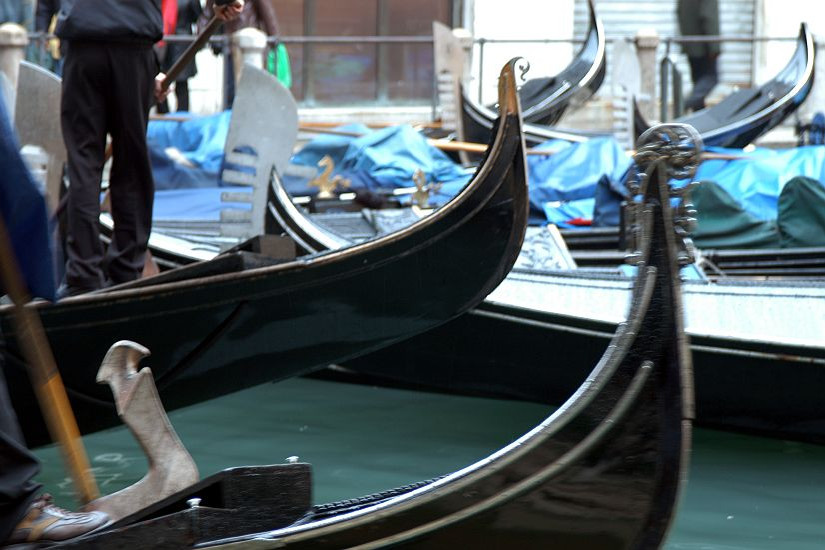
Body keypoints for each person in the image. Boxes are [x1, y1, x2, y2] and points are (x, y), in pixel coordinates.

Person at [56, 0, 243, 298]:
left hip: (84, 44)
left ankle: (83, 275)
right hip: (131, 46)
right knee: (130, 165)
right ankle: (125, 272)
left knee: (83, 164)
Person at [157, 0, 202, 114]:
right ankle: (177, 117)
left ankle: (168, 117)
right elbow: (196, 15)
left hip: (169, 42)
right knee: (174, 85)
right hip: (176, 42)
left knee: (164, 83)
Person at [677, 0, 720, 112]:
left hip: (690, 45)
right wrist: (714, 47)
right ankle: (687, 103)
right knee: (711, 78)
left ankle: (698, 112)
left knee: (698, 82)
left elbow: (679, 12)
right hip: (704, 46)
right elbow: (709, 17)